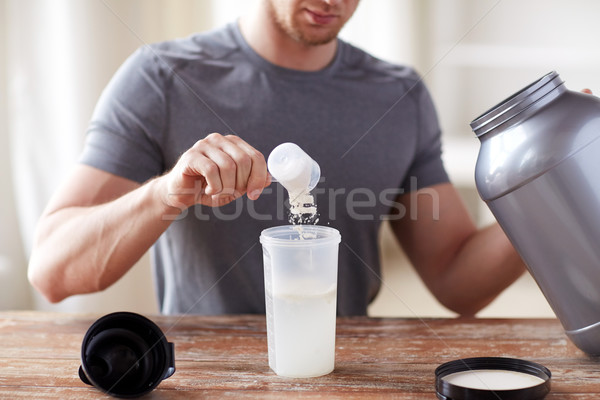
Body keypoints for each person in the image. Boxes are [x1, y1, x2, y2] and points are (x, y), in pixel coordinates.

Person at [28, 0, 525, 316]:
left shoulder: (399, 95)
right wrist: (167, 192)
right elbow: (52, 272)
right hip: (206, 378)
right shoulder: (162, 78)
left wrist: (549, 189)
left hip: (347, 374)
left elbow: (458, 283)